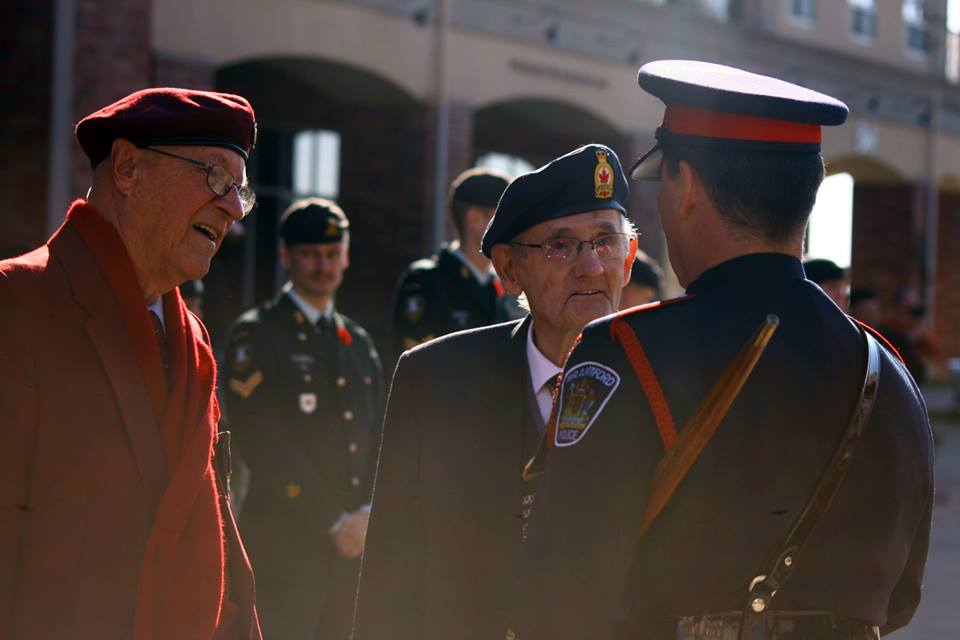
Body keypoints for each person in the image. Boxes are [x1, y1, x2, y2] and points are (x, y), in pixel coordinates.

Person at [522, 61, 933, 640]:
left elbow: (561, 588)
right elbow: (901, 598)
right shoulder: (887, 368)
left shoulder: (630, 351)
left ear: (687, 188)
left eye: (663, 184)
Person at [0, 88, 261, 639]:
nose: (234, 209)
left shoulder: (192, 337)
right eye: (216, 177)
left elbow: (213, 534)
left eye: (240, 191)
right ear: (127, 168)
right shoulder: (17, 303)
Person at [354, 144, 637, 639]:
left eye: (605, 241)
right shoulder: (436, 380)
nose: (591, 267)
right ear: (508, 270)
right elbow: (391, 575)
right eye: (561, 245)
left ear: (629, 257)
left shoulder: (666, 378)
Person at [224, 198, 385, 640]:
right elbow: (262, 442)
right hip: (284, 549)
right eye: (310, 254)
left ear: (346, 257)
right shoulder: (257, 334)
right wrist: (334, 521)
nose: (323, 265)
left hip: (352, 553)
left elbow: (378, 433)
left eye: (333, 253)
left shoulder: (357, 342)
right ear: (286, 256)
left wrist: (366, 513)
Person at [393, 167, 516, 350]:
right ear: (476, 219)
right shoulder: (426, 282)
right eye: (507, 217)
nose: (515, 227)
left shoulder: (497, 287)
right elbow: (418, 359)